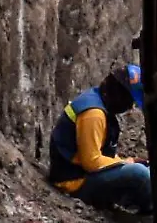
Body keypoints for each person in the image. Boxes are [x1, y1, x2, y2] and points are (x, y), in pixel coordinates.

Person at [48, 65, 151, 215]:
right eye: (130, 102)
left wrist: (126, 161)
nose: (129, 108)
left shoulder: (99, 102)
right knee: (140, 175)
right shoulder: (94, 114)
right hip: (74, 182)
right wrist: (125, 163)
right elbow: (91, 162)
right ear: (120, 95)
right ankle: (152, 214)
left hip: (83, 174)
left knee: (145, 171)